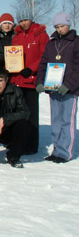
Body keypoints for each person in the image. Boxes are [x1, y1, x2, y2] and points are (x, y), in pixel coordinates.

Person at [36, 12, 79, 163]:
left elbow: (78, 67)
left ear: (69, 25)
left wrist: (68, 85)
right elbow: (43, 64)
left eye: (63, 26)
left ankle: (65, 152)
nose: (60, 29)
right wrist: (40, 82)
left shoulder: (76, 42)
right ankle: (56, 149)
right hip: (53, 88)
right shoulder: (51, 43)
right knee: (56, 120)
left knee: (67, 121)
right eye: (57, 27)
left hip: (69, 90)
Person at [11, 8, 49, 154]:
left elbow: (44, 56)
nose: (23, 23)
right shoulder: (17, 35)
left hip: (31, 81)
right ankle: (18, 142)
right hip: (17, 80)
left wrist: (31, 69)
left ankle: (32, 145)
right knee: (18, 114)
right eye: (21, 21)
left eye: (26, 20)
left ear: (31, 19)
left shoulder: (40, 35)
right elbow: (12, 55)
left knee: (31, 114)